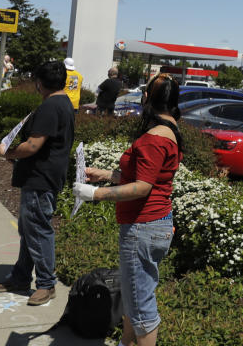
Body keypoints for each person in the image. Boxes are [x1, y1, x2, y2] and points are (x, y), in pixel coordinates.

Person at [74, 73, 183, 346]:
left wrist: (96, 194)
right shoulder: (171, 131)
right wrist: (104, 174)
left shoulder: (153, 138)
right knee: (135, 294)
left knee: (141, 303)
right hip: (154, 223)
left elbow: (142, 187)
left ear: (147, 98)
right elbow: (146, 179)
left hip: (142, 227)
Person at [0, 60, 75, 306]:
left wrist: (9, 153)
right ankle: (20, 276)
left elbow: (33, 145)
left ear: (39, 83)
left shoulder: (51, 106)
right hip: (43, 176)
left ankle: (46, 284)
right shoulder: (64, 103)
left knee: (37, 230)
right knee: (29, 231)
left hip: (41, 178)